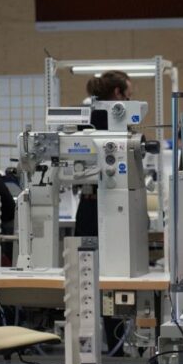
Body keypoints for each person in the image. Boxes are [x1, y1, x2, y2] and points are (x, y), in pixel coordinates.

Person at [74, 70, 133, 238]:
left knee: (87, 258)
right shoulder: (117, 120)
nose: (128, 103)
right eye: (128, 97)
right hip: (114, 203)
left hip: (87, 203)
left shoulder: (85, 118)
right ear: (117, 92)